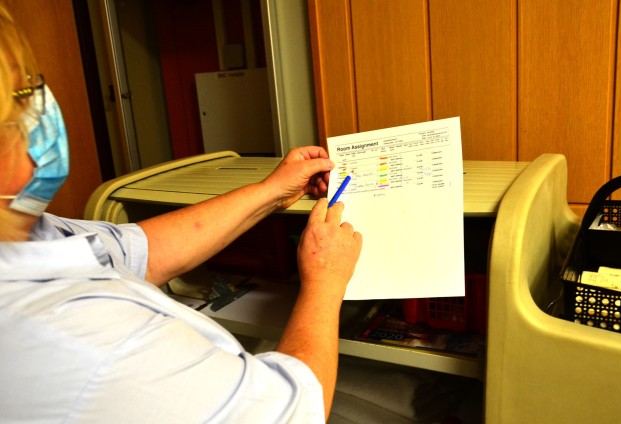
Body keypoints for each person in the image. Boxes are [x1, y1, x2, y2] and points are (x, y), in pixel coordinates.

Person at [0, 4, 362, 423]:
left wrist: (271, 192)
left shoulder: (24, 232)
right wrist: (325, 279)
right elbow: (293, 410)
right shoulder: (75, 337)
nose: (42, 104)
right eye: (22, 95)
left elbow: (134, 252)